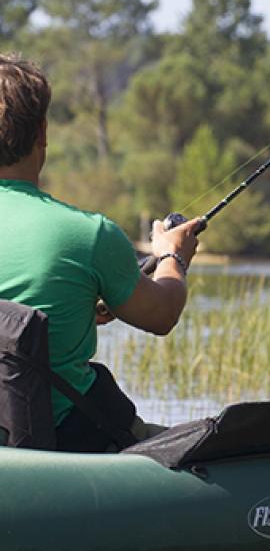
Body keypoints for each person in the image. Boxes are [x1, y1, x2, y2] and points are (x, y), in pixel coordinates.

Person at [0, 52, 202, 451]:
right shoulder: (88, 235)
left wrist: (78, 305)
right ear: (42, 132)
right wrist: (172, 257)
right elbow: (162, 314)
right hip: (61, 443)